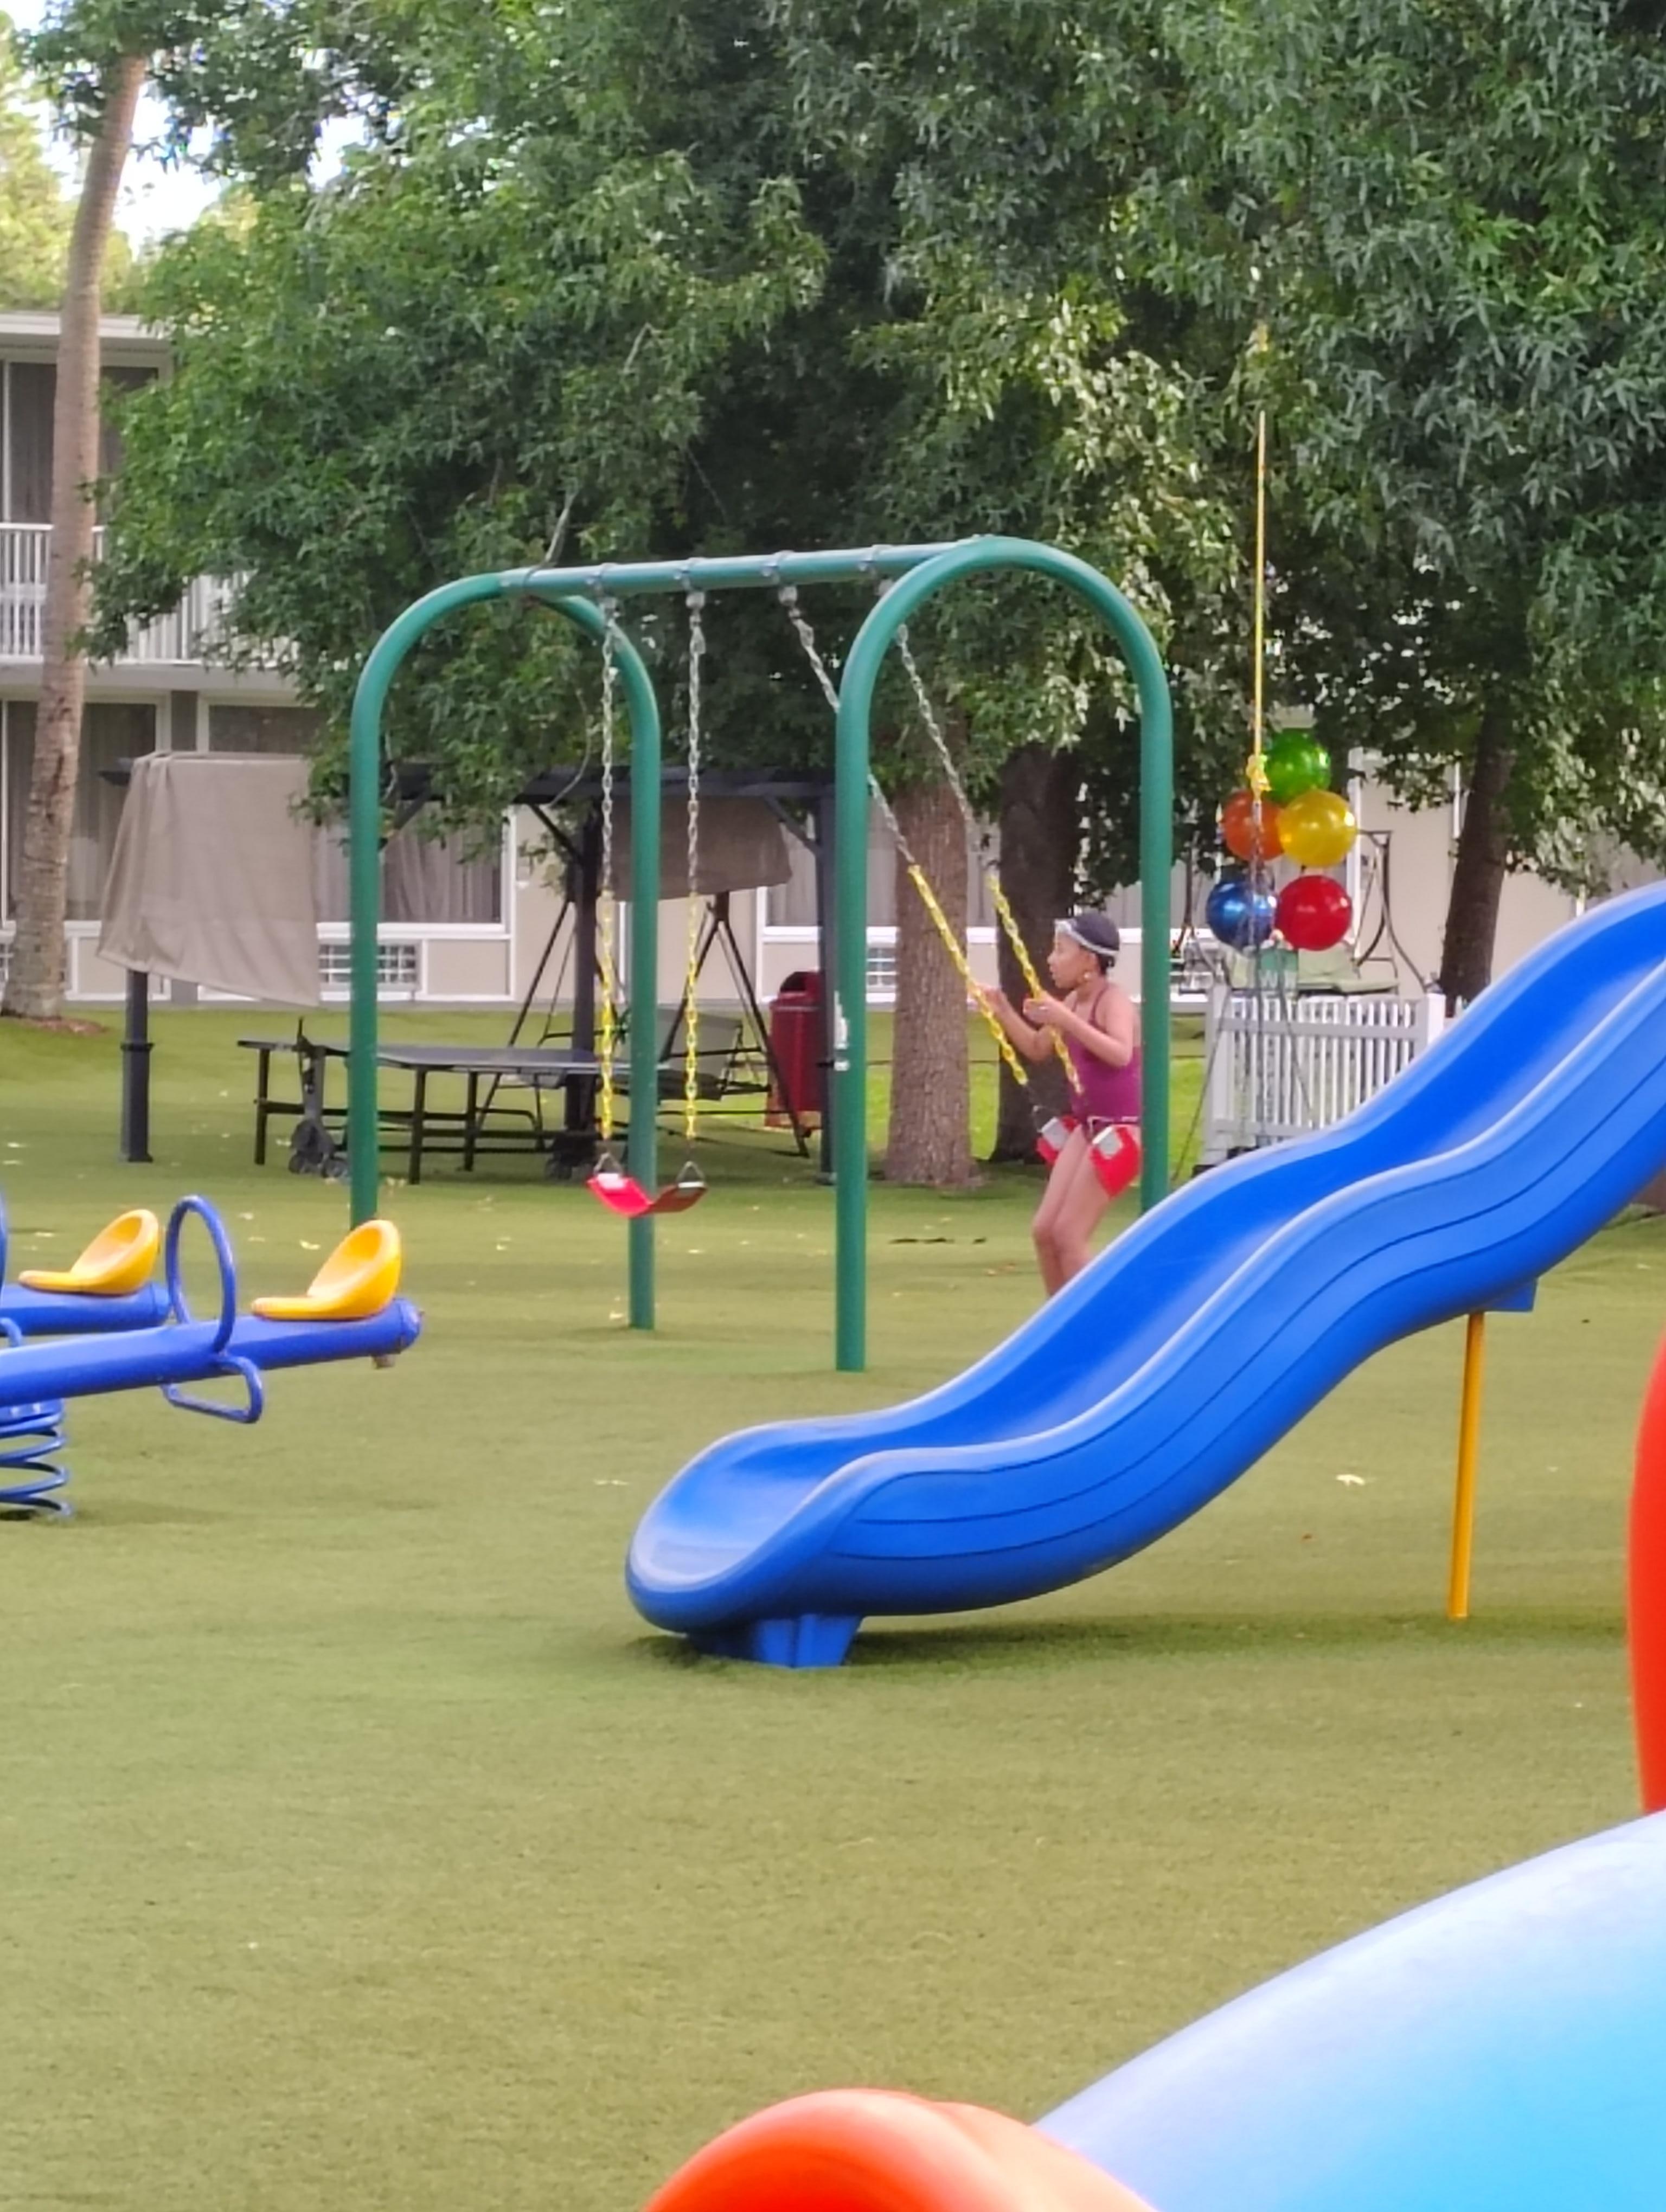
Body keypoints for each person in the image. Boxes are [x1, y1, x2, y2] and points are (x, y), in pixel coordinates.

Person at [983, 913, 1141, 1295]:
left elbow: (1120, 1053)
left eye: (1060, 951)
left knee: (1070, 1236)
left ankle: (1094, 1319)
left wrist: (1067, 1021)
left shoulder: (1112, 1001)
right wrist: (1003, 1010)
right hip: (1088, 1127)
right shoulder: (1072, 1001)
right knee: (1045, 1232)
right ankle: (1058, 1318)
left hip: (1121, 1130)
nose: (1051, 960)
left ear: (1089, 960)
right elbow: (1038, 1048)